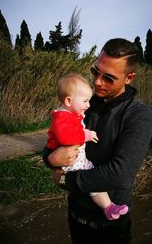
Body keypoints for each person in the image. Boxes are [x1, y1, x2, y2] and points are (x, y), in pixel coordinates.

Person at [43, 38, 152, 243]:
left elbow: (120, 174)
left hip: (109, 223)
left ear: (129, 78)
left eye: (108, 78)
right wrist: (50, 159)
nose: (97, 82)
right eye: (95, 72)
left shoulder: (138, 115)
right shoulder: (84, 104)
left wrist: (68, 180)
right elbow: (54, 140)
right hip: (76, 213)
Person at [43, 73, 129, 220]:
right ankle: (108, 207)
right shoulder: (62, 116)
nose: (88, 105)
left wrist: (84, 131)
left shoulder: (72, 113)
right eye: (85, 101)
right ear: (69, 101)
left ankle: (108, 207)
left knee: (94, 182)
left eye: (88, 101)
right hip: (71, 163)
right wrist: (85, 136)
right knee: (94, 184)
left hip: (78, 160)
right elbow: (65, 137)